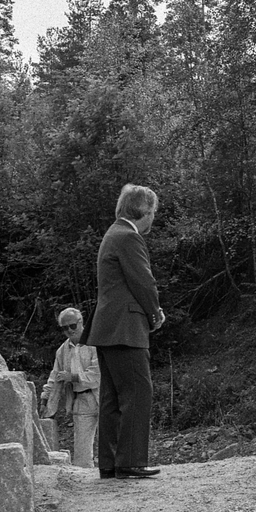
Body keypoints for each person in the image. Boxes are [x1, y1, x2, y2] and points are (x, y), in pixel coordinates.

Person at [86, 183, 166, 480]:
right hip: (125, 327)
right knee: (136, 391)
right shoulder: (129, 237)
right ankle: (130, 461)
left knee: (112, 397)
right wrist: (154, 313)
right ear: (144, 211)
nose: (153, 218)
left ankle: (109, 463)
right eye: (153, 212)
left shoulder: (112, 234)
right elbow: (144, 282)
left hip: (107, 327)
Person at [40, 307, 100, 468]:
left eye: (72, 326)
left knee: (111, 441)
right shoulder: (62, 351)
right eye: (64, 328)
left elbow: (97, 375)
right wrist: (45, 399)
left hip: (103, 396)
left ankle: (116, 480)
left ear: (81, 322)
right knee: (81, 450)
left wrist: (73, 377)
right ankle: (84, 486)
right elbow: (54, 377)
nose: (69, 330)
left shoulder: (95, 342)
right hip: (80, 399)